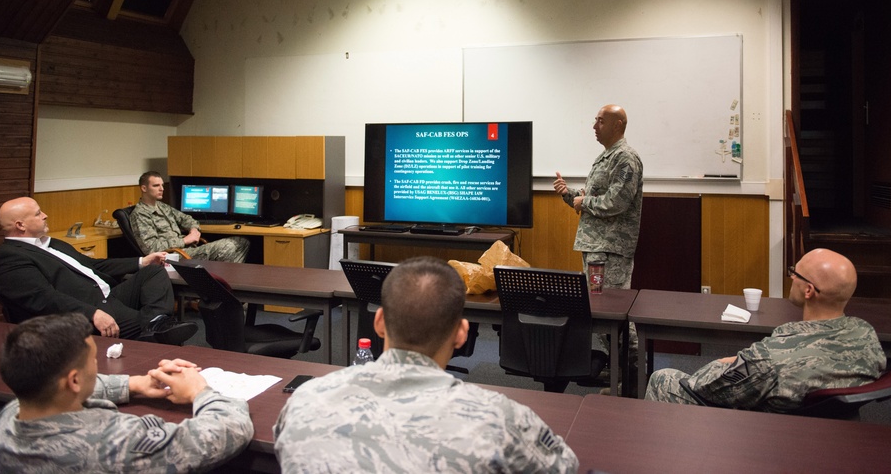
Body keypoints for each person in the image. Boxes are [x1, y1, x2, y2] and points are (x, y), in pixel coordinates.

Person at [274, 256, 579, 473]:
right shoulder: (500, 421)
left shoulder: (306, 400)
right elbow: (564, 466)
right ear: (461, 334)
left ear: (378, 323)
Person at [0, 313, 253, 473]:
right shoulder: (118, 444)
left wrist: (136, 384)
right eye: (93, 360)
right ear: (74, 380)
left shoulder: (8, 419)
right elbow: (229, 430)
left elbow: (80, 385)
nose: (97, 366)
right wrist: (199, 391)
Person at [646, 248, 887, 412]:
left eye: (795, 274)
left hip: (766, 434)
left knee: (663, 378)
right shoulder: (865, 334)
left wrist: (725, 362)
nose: (791, 277)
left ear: (809, 291)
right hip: (829, 433)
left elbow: (705, 387)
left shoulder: (773, 356)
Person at [0, 197, 196, 345]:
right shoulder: (8, 258)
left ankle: (155, 323)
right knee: (163, 337)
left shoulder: (52, 243)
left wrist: (142, 261)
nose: (45, 215)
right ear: (20, 224)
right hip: (89, 311)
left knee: (154, 272)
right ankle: (155, 328)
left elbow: (95, 266)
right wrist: (92, 313)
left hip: (109, 296)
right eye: (38, 213)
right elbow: (44, 298)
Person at [553, 104, 643, 384]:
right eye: (595, 120)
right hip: (596, 247)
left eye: (601, 121)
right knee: (599, 313)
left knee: (614, 312)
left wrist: (584, 201)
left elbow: (617, 201)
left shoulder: (626, 159)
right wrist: (569, 194)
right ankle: (618, 371)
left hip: (611, 249)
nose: (594, 126)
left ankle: (632, 374)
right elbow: (591, 197)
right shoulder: (605, 157)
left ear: (618, 125)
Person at [129, 171, 248, 264]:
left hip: (188, 249)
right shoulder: (140, 214)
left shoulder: (162, 207)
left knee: (242, 242)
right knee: (228, 246)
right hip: (174, 255)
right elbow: (152, 249)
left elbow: (186, 218)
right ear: (144, 188)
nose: (162, 189)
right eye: (156, 186)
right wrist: (185, 240)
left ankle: (225, 284)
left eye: (162, 185)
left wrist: (194, 230)